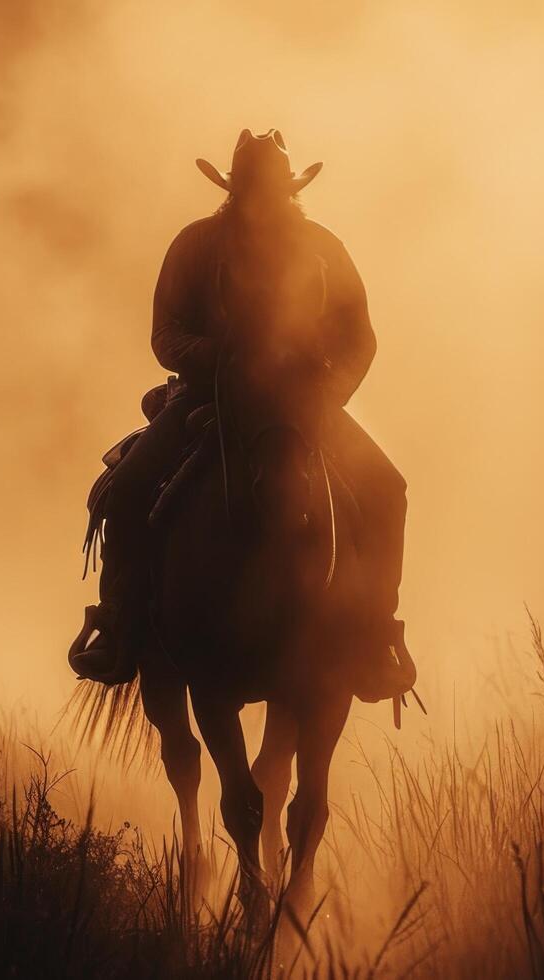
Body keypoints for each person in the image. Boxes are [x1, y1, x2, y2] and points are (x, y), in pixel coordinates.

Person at [68, 129, 411, 702]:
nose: (263, 201)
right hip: (207, 397)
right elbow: (165, 333)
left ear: (287, 192)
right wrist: (218, 359)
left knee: (387, 490)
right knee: (126, 488)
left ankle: (375, 630)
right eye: (254, 190)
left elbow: (359, 338)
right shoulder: (196, 244)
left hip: (303, 403)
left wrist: (325, 393)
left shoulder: (324, 249)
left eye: (272, 190)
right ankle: (120, 621)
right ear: (235, 192)